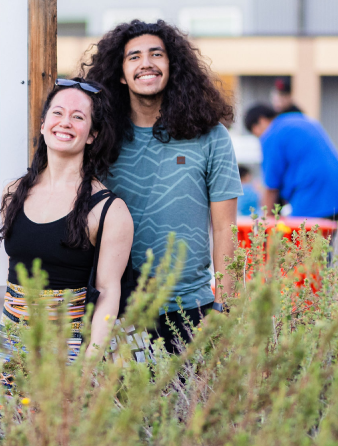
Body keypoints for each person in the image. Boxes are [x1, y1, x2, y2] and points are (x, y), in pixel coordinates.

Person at [82, 19, 242, 355]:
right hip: (117, 308)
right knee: (122, 407)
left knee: (191, 408)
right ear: (121, 74)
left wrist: (225, 307)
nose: (147, 63)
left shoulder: (210, 136)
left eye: (157, 54)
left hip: (190, 307)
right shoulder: (100, 139)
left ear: (172, 66)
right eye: (134, 57)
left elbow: (225, 227)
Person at [0, 78, 134, 401]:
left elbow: (110, 291)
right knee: (5, 444)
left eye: (78, 117)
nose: (65, 122)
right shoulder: (13, 193)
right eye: (57, 113)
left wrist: (89, 365)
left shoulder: (109, 209)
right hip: (11, 346)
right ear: (42, 125)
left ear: (92, 135)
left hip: (69, 350)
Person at [244, 103, 338, 220]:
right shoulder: (300, 120)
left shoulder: (271, 134)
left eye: (254, 132)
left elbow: (271, 186)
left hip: (314, 193)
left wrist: (266, 225)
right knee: (323, 236)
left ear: (261, 121)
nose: (258, 137)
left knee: (300, 235)